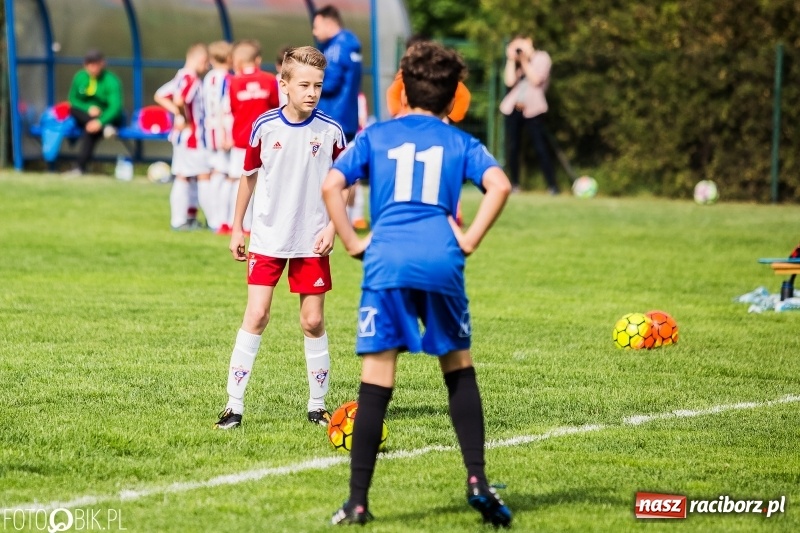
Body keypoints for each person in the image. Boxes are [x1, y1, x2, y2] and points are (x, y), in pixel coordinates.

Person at [321, 41, 513, 527]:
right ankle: (476, 479)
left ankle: (358, 502)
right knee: (458, 367)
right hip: (441, 261)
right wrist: (468, 240)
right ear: (454, 100)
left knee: (376, 379)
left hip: (386, 261)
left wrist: (350, 241)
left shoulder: (376, 135)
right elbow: (500, 185)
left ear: (401, 89)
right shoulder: (460, 143)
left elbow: (331, 185)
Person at [214, 46, 346, 430]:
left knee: (312, 321)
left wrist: (333, 227)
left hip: (312, 239)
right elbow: (249, 175)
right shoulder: (264, 126)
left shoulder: (331, 131)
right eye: (303, 84)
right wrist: (238, 225)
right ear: (283, 84)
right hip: (269, 237)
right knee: (256, 314)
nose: (311, 92)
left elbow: (344, 184)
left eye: (318, 85)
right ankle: (233, 406)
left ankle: (317, 405)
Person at [312, 5, 366, 229]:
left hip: (334, 118)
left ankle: (337, 220)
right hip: (345, 117)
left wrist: (305, 83)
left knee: (333, 171)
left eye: (315, 26)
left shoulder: (337, 47)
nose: (314, 32)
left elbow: (330, 82)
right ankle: (352, 217)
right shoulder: (350, 43)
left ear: (327, 22)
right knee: (348, 169)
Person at [219, 40, 280, 235]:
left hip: (240, 140)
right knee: (260, 182)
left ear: (237, 61)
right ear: (258, 60)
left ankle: (228, 221)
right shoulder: (270, 80)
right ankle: (251, 225)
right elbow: (276, 108)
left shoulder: (233, 82)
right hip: (264, 141)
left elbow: (229, 111)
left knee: (237, 180)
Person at [155, 43, 213, 231]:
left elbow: (160, 95)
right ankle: (213, 222)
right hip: (193, 138)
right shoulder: (191, 78)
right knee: (202, 176)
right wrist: (183, 116)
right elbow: (180, 100)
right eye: (206, 64)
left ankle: (185, 218)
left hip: (181, 137)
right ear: (201, 60)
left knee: (184, 177)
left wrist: (178, 114)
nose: (206, 68)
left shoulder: (180, 76)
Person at [499, 35, 558, 194]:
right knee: (513, 148)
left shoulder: (542, 57)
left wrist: (525, 60)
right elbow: (509, 82)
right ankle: (515, 184)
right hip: (513, 108)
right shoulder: (516, 62)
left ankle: (552, 185)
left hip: (534, 109)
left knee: (540, 147)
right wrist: (511, 60)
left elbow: (536, 80)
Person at [64, 49, 124, 176]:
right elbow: (73, 100)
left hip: (107, 117)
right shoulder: (80, 77)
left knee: (90, 130)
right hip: (88, 118)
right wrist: (88, 108)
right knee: (76, 112)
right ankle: (104, 129)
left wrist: (100, 121)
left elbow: (115, 108)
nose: (93, 68)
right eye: (90, 64)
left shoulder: (111, 81)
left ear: (102, 64)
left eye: (96, 64)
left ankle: (79, 168)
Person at [203, 40, 233, 232]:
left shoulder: (208, 78)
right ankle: (220, 218)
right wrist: (226, 134)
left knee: (216, 172)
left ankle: (214, 217)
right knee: (224, 174)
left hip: (209, 128)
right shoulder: (227, 79)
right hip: (223, 129)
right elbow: (225, 108)